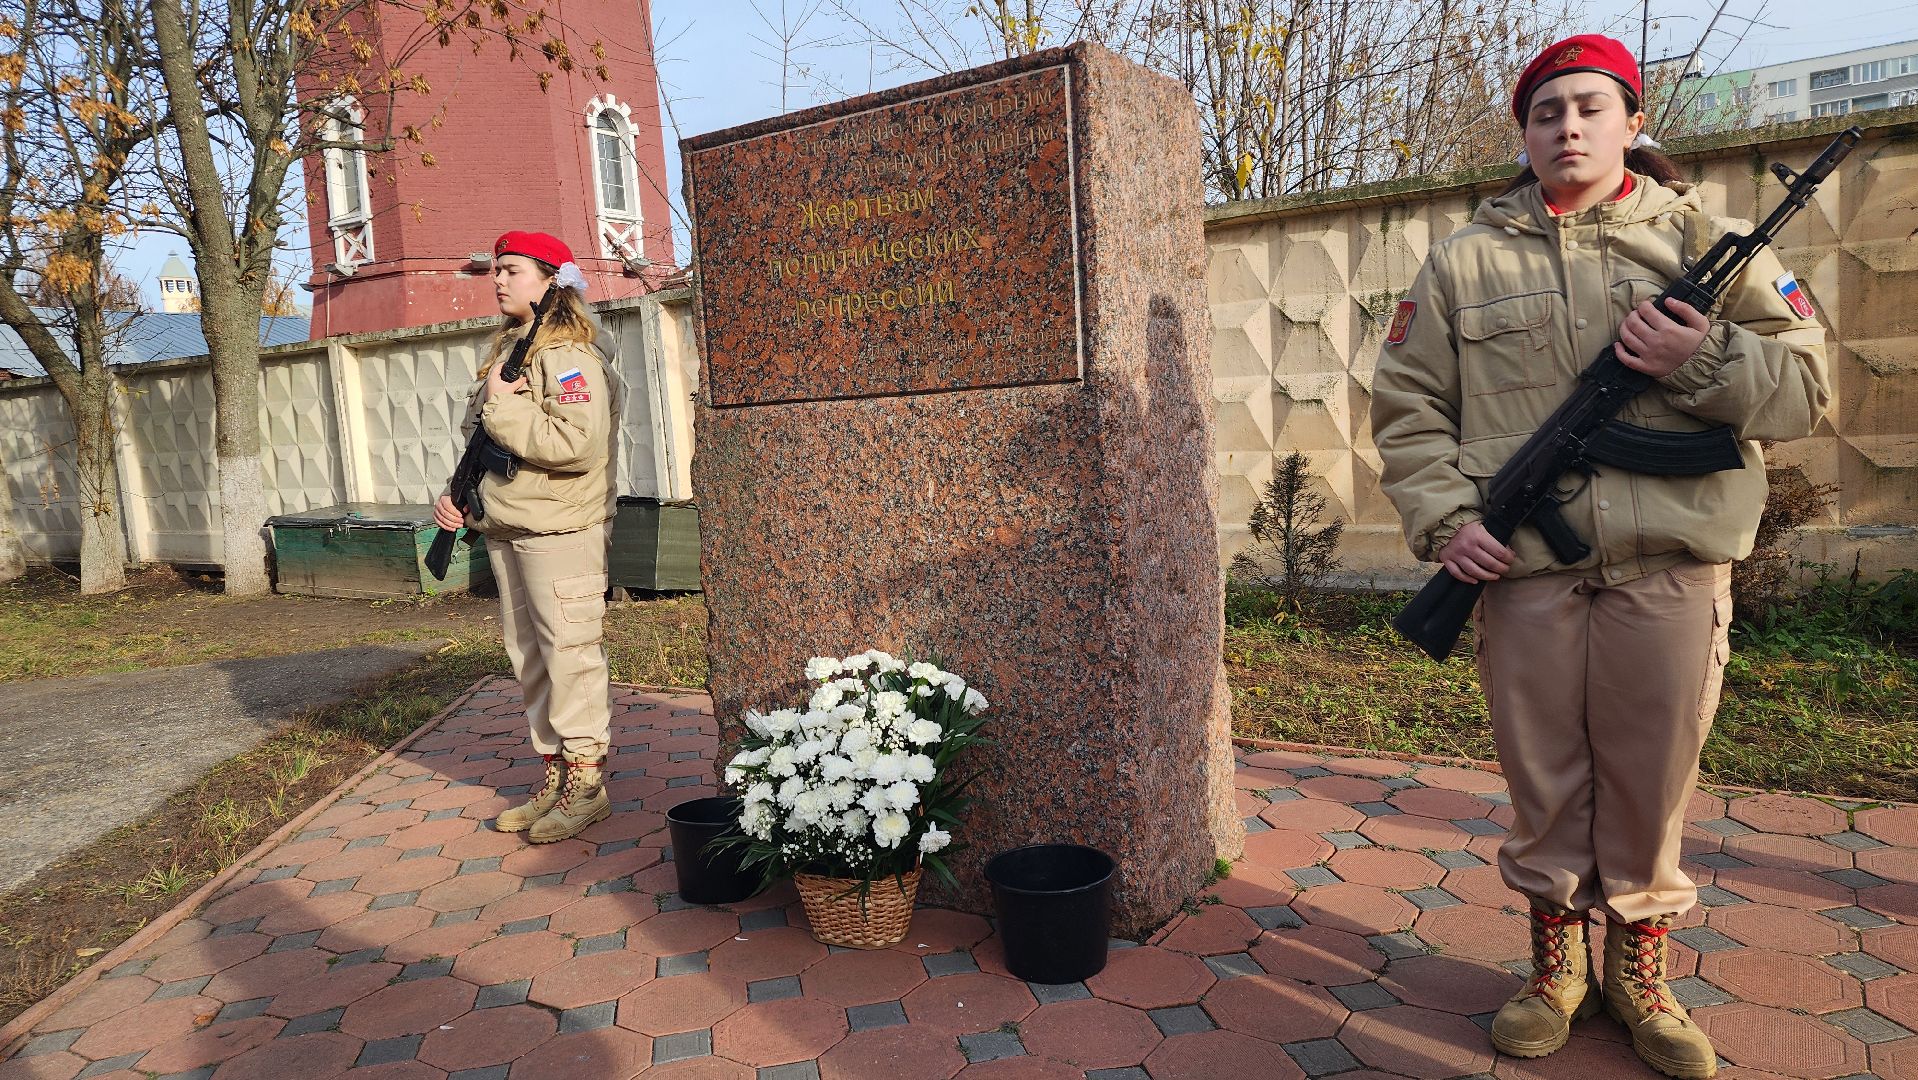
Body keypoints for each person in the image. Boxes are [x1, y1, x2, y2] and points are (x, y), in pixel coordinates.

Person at [1371, 34, 1829, 1080]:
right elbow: (1405, 411)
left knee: (1649, 785)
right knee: (1544, 784)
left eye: (1588, 107)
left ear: (1631, 121)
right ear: (1524, 134)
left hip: (1668, 568)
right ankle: (1553, 973)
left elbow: (1806, 393)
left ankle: (1640, 976)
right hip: (1524, 572)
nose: (1567, 127)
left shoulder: (1712, 243)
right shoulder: (1461, 262)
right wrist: (1450, 524)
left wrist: (1697, 354)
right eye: (1545, 112)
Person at [435, 231, 621, 845]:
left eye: (512, 270)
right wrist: (456, 494)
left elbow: (575, 444)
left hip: (560, 528)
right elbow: (484, 441)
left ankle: (587, 784)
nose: (498, 281)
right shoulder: (512, 352)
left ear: (549, 281)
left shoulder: (569, 356)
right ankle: (556, 774)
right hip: (509, 525)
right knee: (532, 660)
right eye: (496, 271)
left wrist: (504, 408)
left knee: (570, 656)